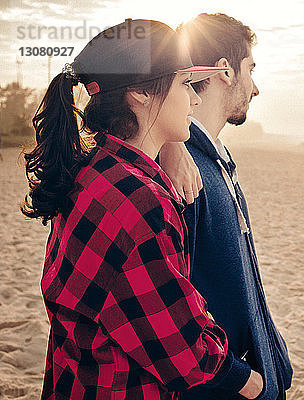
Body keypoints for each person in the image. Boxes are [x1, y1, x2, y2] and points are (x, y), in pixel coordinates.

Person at [22, 19, 262, 399]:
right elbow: (186, 352)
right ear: (140, 94)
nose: (195, 99)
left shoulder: (93, 171)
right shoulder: (141, 202)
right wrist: (249, 381)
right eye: (185, 85)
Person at [159, 13, 293, 400]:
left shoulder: (211, 159)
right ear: (225, 71)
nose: (256, 88)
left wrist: (273, 353)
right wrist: (243, 379)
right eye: (250, 69)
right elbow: (172, 308)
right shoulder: (183, 173)